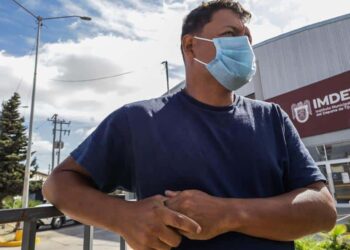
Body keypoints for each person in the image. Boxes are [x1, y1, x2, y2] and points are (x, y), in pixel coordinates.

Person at [43, 1, 337, 249]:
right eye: (231, 34)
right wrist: (122, 215)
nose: (245, 46)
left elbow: (323, 210)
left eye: (247, 39)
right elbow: (58, 183)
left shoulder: (272, 118)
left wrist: (230, 214)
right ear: (191, 46)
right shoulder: (138, 120)